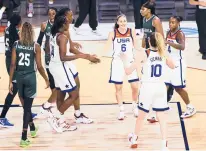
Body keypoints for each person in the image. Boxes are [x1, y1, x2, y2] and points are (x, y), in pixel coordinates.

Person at [48, 12, 100, 132]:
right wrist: (82, 57)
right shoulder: (62, 37)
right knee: (74, 94)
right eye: (68, 21)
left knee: (61, 93)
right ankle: (56, 117)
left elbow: (56, 50)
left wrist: (86, 55)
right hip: (60, 66)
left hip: (55, 65)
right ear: (64, 23)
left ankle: (60, 121)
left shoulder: (54, 33)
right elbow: (63, 57)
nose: (71, 22)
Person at [124, 32, 174, 151]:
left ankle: (134, 138)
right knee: (161, 117)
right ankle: (164, 144)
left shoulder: (144, 53)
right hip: (161, 87)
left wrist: (124, 60)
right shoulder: (164, 53)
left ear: (148, 42)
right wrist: (165, 54)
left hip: (147, 87)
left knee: (141, 116)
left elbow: (128, 71)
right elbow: (173, 66)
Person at [9, 22, 49, 147]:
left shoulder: (16, 44)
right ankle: (23, 137)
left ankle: (32, 128)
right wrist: (46, 79)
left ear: (21, 32)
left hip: (19, 77)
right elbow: (40, 66)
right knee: (27, 108)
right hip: (30, 77)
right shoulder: (35, 46)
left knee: (26, 107)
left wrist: (10, 81)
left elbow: (12, 64)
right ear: (32, 32)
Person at [0, 14, 37, 128]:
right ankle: (2, 117)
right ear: (18, 23)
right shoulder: (16, 34)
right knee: (14, 89)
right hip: (13, 62)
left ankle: (28, 112)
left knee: (19, 88)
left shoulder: (7, 29)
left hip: (9, 59)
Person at [104, 14, 139, 120]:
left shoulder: (131, 31)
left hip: (129, 61)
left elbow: (136, 46)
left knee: (135, 86)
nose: (123, 23)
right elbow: (106, 47)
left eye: (125, 21)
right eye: (121, 21)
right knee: (118, 87)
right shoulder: (112, 33)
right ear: (117, 22)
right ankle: (121, 110)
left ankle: (135, 106)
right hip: (117, 62)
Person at [165, 16, 196, 118]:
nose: (171, 24)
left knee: (179, 88)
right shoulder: (168, 32)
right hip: (169, 62)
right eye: (170, 22)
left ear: (178, 23)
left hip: (178, 64)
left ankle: (190, 107)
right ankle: (163, 106)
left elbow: (182, 47)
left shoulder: (180, 34)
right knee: (165, 85)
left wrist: (169, 42)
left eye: (173, 22)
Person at [140, 1, 166, 122]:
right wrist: (142, 49)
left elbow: (161, 36)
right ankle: (150, 109)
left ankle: (156, 111)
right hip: (148, 50)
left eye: (143, 9)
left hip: (155, 51)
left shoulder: (155, 20)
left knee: (154, 81)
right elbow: (145, 36)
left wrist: (160, 53)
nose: (141, 11)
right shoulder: (144, 19)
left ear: (149, 11)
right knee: (147, 78)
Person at [37, 7, 58, 115]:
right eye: (50, 14)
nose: (51, 16)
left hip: (58, 56)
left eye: (53, 14)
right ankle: (52, 102)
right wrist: (36, 52)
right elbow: (39, 40)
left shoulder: (60, 25)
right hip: (48, 56)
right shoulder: (44, 25)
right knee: (52, 80)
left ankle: (52, 102)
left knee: (58, 79)